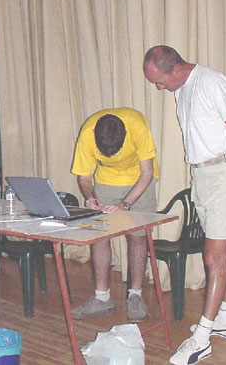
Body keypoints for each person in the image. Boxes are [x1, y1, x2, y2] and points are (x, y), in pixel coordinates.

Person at [143, 45, 226, 365]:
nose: (158, 87)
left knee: (213, 257)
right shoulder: (182, 89)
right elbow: (213, 128)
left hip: (223, 176)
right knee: (222, 251)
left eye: (159, 81)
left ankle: (201, 339)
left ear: (175, 69)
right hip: (204, 176)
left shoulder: (210, 81)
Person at [70, 107, 160, 322]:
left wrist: (125, 205)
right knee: (99, 237)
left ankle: (135, 296)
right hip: (107, 181)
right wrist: (90, 196)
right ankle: (102, 298)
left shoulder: (137, 125)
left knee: (138, 238)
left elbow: (147, 173)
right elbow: (84, 178)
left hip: (140, 180)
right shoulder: (87, 133)